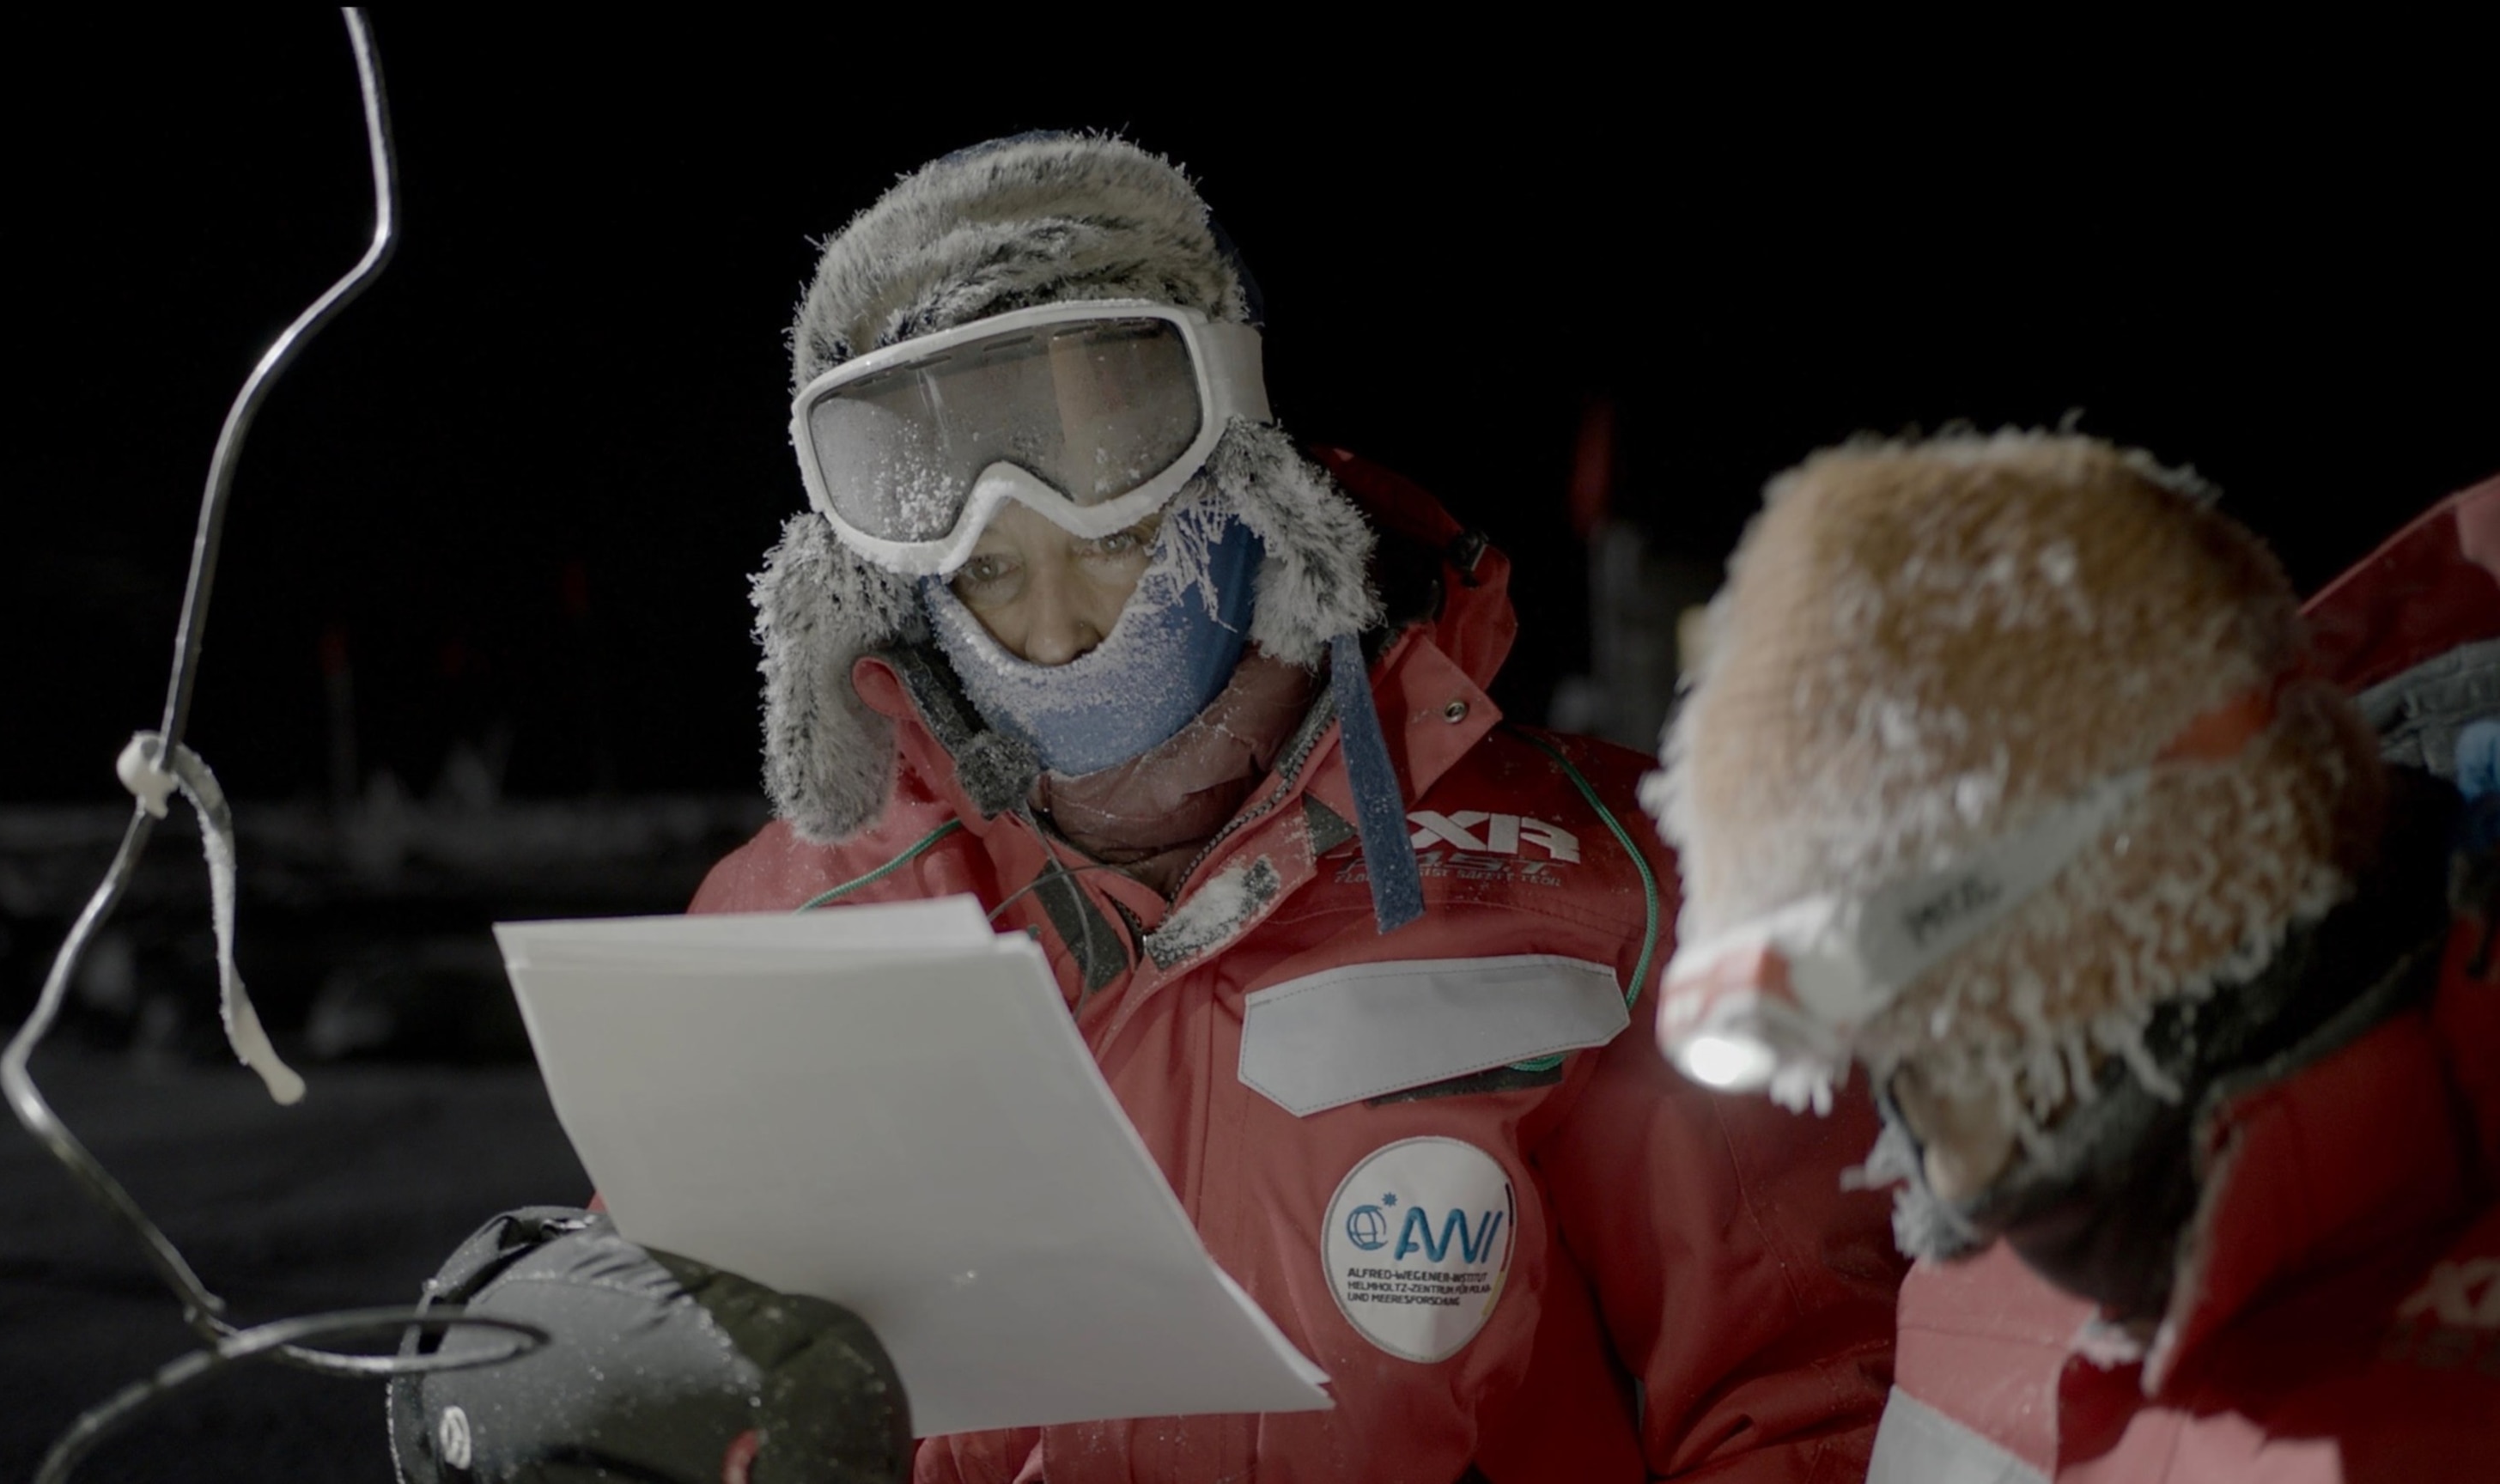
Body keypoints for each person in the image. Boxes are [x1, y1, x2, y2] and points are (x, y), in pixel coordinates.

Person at [398, 132, 1906, 1483]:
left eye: (1108, 536)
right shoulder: (792, 917)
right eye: (987, 570)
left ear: (1239, 484)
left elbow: (1801, 1392)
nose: (1050, 625)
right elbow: (704, 1374)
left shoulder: (1605, 878)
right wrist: (571, 1367)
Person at [1645, 430, 2500, 1481]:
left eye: (1941, 1012)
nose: (1909, 1100)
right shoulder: (1982, 1274)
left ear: (2144, 889)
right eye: (1883, 1044)